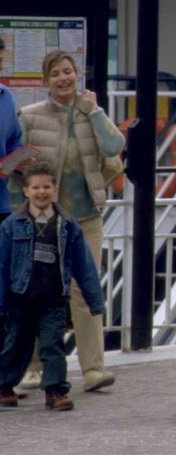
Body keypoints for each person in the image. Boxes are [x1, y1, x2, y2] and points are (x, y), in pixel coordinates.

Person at [11, 49, 124, 394]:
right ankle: (32, 366)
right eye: (56, 74)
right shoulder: (29, 116)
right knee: (37, 291)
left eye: (68, 71)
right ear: (46, 81)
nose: (64, 79)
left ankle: (93, 368)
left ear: (77, 74)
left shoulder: (90, 113)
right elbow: (12, 166)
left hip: (85, 218)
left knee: (84, 290)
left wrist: (97, 112)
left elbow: (114, 145)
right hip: (44, 221)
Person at [0, 165, 106, 411]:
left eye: (46, 187)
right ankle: (4, 385)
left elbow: (84, 266)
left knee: (52, 345)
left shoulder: (68, 225)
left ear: (54, 189)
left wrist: (95, 301)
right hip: (20, 298)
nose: (41, 192)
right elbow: (2, 266)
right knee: (15, 345)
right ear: (25, 191)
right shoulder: (10, 226)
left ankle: (56, 390)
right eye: (35, 187)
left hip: (53, 298)